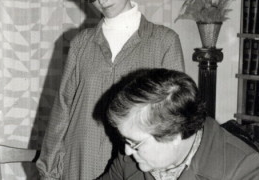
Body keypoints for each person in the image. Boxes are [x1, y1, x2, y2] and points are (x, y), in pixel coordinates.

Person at [36, 0, 185, 179]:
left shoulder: (164, 42)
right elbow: (62, 108)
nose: (102, 0)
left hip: (136, 165)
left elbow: (176, 116)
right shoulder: (80, 43)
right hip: (80, 162)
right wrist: (48, 171)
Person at [98, 68, 259, 180]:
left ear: (173, 135)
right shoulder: (130, 156)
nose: (127, 150)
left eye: (135, 143)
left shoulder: (242, 171)